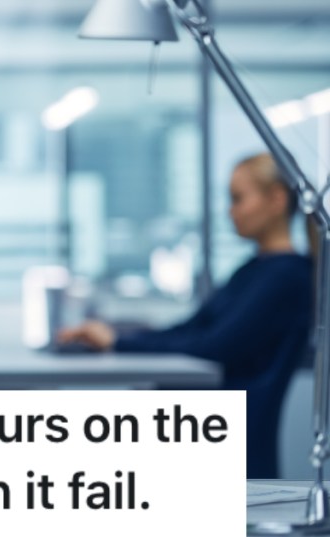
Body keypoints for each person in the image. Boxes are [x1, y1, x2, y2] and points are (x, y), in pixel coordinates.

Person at [58, 152, 314, 477]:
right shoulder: (254, 271)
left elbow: (214, 346)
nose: (230, 210)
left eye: (238, 198)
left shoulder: (285, 277)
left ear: (276, 199)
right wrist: (117, 338)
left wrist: (120, 344)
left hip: (223, 429)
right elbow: (191, 328)